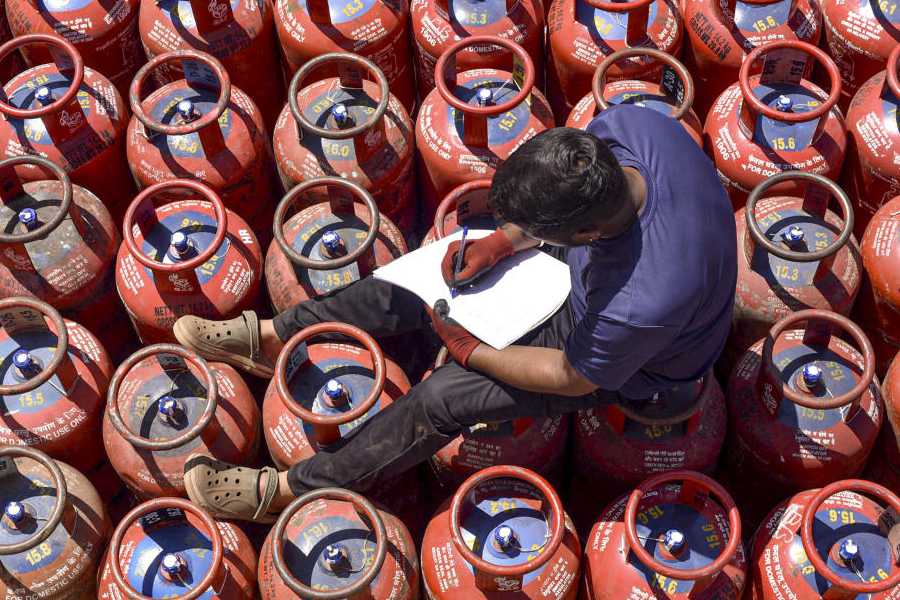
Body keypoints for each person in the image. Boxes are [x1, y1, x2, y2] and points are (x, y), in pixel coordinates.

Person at [173, 105, 737, 522]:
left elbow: (571, 376)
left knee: (445, 395)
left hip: (636, 364)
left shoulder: (642, 301)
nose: (526, 235)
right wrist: (505, 241)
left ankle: (294, 490)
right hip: (595, 276)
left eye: (540, 231)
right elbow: (564, 210)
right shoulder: (636, 130)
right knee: (430, 281)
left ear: (584, 233)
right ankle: (274, 338)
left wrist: (475, 352)